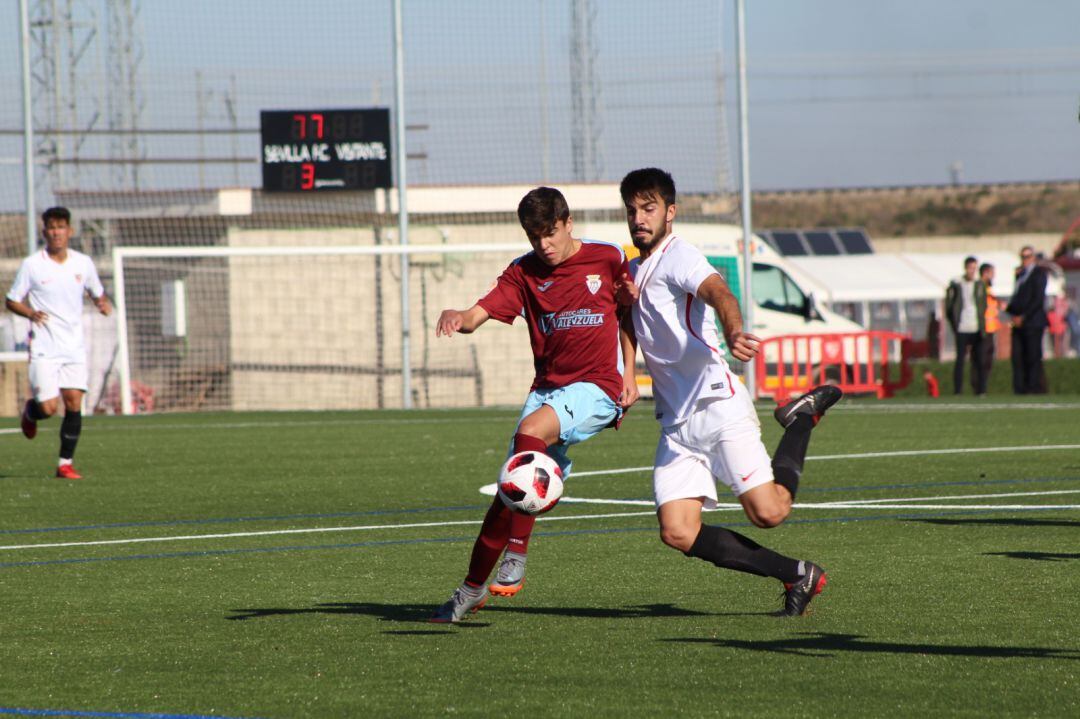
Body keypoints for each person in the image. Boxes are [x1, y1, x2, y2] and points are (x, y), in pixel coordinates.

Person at [617, 168, 839, 616]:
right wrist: (626, 374)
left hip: (717, 406)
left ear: (670, 212)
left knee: (770, 512)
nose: (639, 218)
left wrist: (734, 331)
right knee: (678, 531)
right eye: (632, 210)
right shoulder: (635, 270)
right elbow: (629, 320)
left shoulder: (680, 256)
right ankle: (799, 574)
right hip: (677, 424)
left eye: (649, 208)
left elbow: (720, 292)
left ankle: (801, 419)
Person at [429, 186, 638, 623]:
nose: (543, 245)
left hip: (597, 386)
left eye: (550, 234)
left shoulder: (608, 257)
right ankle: (469, 591)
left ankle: (518, 555)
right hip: (547, 391)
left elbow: (626, 315)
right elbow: (477, 314)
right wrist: (458, 317)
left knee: (528, 441)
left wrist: (630, 375)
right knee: (509, 493)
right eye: (534, 236)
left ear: (568, 223)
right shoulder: (523, 273)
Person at [6, 206, 112, 479]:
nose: (56, 232)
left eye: (61, 227)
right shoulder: (33, 265)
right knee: (49, 408)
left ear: (70, 231)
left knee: (74, 401)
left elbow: (96, 291)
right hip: (44, 346)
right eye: (51, 228)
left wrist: (101, 303)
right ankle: (31, 412)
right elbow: (11, 299)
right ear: (45, 232)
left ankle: (65, 463)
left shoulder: (83, 263)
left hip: (73, 346)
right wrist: (29, 313)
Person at [1005, 246, 1048, 394]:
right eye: (1023, 257)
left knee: (1033, 356)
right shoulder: (1020, 275)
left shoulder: (1039, 274)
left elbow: (1037, 300)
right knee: (1017, 357)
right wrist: (1010, 311)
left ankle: (1034, 387)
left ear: (1033, 257)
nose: (1025, 260)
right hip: (1018, 323)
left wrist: (1023, 317)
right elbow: (1017, 297)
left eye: (1028, 256)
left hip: (1033, 322)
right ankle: (1020, 388)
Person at [944, 256, 986, 395]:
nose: (972, 271)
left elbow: (983, 305)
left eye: (974, 268)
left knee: (979, 360)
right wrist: (954, 324)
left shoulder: (980, 284)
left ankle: (981, 390)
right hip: (962, 327)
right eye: (970, 268)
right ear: (965, 268)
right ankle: (958, 390)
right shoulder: (957, 284)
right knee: (960, 361)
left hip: (976, 327)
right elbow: (949, 307)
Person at [977, 263, 1000, 395]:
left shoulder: (988, 289)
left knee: (988, 360)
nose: (993, 276)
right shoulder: (980, 288)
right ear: (985, 273)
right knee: (982, 359)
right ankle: (980, 388)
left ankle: (983, 387)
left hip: (991, 329)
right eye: (991, 273)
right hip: (984, 329)